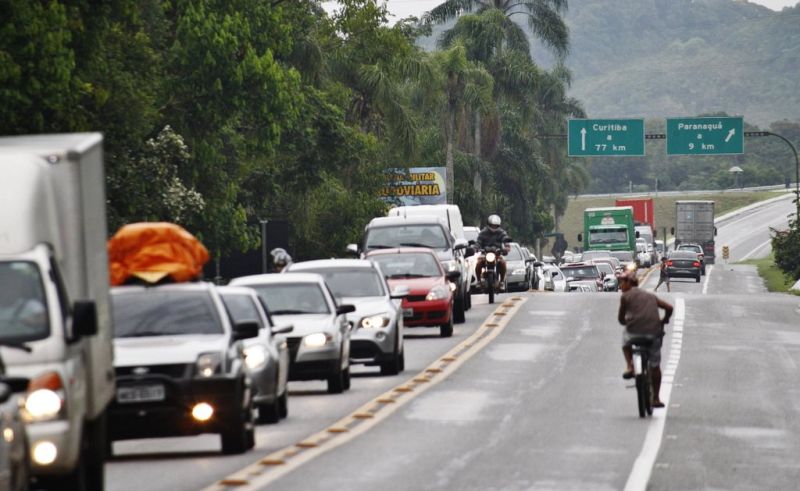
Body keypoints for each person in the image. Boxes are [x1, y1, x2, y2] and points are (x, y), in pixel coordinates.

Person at [617, 271, 673, 408]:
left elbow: (621, 318)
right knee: (655, 366)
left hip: (634, 333)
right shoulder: (650, 296)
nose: (620, 285)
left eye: (622, 282)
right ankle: (656, 398)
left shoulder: (626, 296)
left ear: (629, 283)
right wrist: (664, 320)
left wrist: (627, 322)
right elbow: (669, 308)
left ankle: (630, 366)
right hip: (653, 333)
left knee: (625, 339)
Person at [475, 214, 509, 289]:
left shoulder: (501, 232)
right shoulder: (483, 232)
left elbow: (506, 240)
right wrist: (476, 248)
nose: (494, 227)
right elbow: (478, 242)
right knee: (478, 263)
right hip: (485, 253)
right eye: (492, 225)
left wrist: (506, 248)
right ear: (489, 224)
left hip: (497, 253)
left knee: (503, 263)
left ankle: (502, 282)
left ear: (498, 225)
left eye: (496, 225)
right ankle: (478, 281)